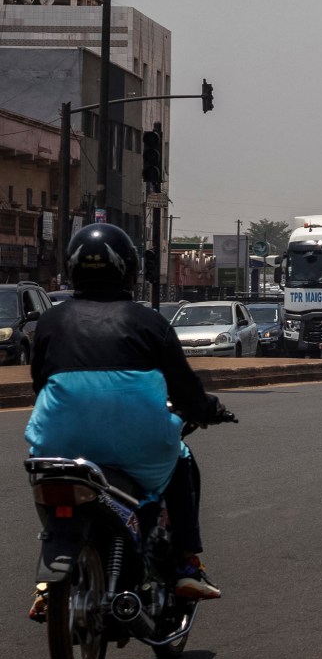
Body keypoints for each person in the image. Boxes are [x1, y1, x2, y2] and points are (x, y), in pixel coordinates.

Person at [26, 223, 233, 607]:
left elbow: (40, 383)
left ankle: (48, 577)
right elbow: (185, 389)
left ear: (72, 268)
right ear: (129, 270)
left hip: (57, 443)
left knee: (50, 482)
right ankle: (186, 564)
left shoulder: (50, 321)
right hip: (138, 447)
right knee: (182, 459)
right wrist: (208, 409)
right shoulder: (149, 321)